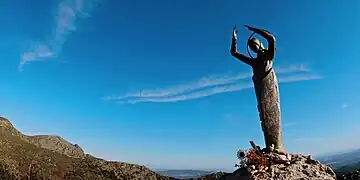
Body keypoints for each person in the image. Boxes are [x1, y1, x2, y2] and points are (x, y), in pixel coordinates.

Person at [230, 25, 285, 153]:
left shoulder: (268, 57)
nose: (254, 48)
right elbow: (234, 53)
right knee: (264, 114)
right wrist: (234, 40)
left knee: (273, 113)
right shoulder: (254, 62)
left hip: (270, 87)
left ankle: (277, 145)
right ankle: (270, 144)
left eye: (255, 45)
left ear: (260, 45)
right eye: (252, 47)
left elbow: (271, 39)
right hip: (260, 90)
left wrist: (256, 31)